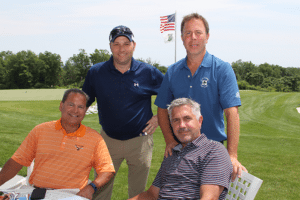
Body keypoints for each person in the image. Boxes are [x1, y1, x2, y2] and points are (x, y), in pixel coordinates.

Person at [155, 13, 247, 180]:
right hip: (180, 151)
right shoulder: (172, 71)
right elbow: (162, 109)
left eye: (198, 32)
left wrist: (232, 155)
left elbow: (232, 113)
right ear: (182, 38)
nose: (193, 38)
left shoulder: (222, 69)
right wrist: (170, 140)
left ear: (207, 37)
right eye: (188, 33)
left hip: (213, 151)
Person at [82, 25, 164, 199]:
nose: (121, 49)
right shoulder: (96, 72)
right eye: (116, 44)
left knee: (138, 192)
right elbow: (83, 102)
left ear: (134, 45)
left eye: (126, 43)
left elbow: (172, 93)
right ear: (110, 46)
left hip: (140, 142)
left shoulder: (148, 72)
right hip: (108, 141)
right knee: (101, 190)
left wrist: (158, 118)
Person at [0, 89, 115, 200]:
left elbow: (107, 170)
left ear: (85, 111)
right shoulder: (40, 130)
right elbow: (17, 161)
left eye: (80, 107)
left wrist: (91, 187)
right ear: (61, 106)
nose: (75, 110)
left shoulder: (95, 138)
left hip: (72, 195)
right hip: (38, 192)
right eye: (71, 105)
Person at [129, 98, 233, 200]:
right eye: (176, 120)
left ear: (199, 121)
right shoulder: (172, 153)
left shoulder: (213, 150)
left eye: (187, 118)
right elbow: (151, 194)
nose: (181, 125)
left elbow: (209, 198)